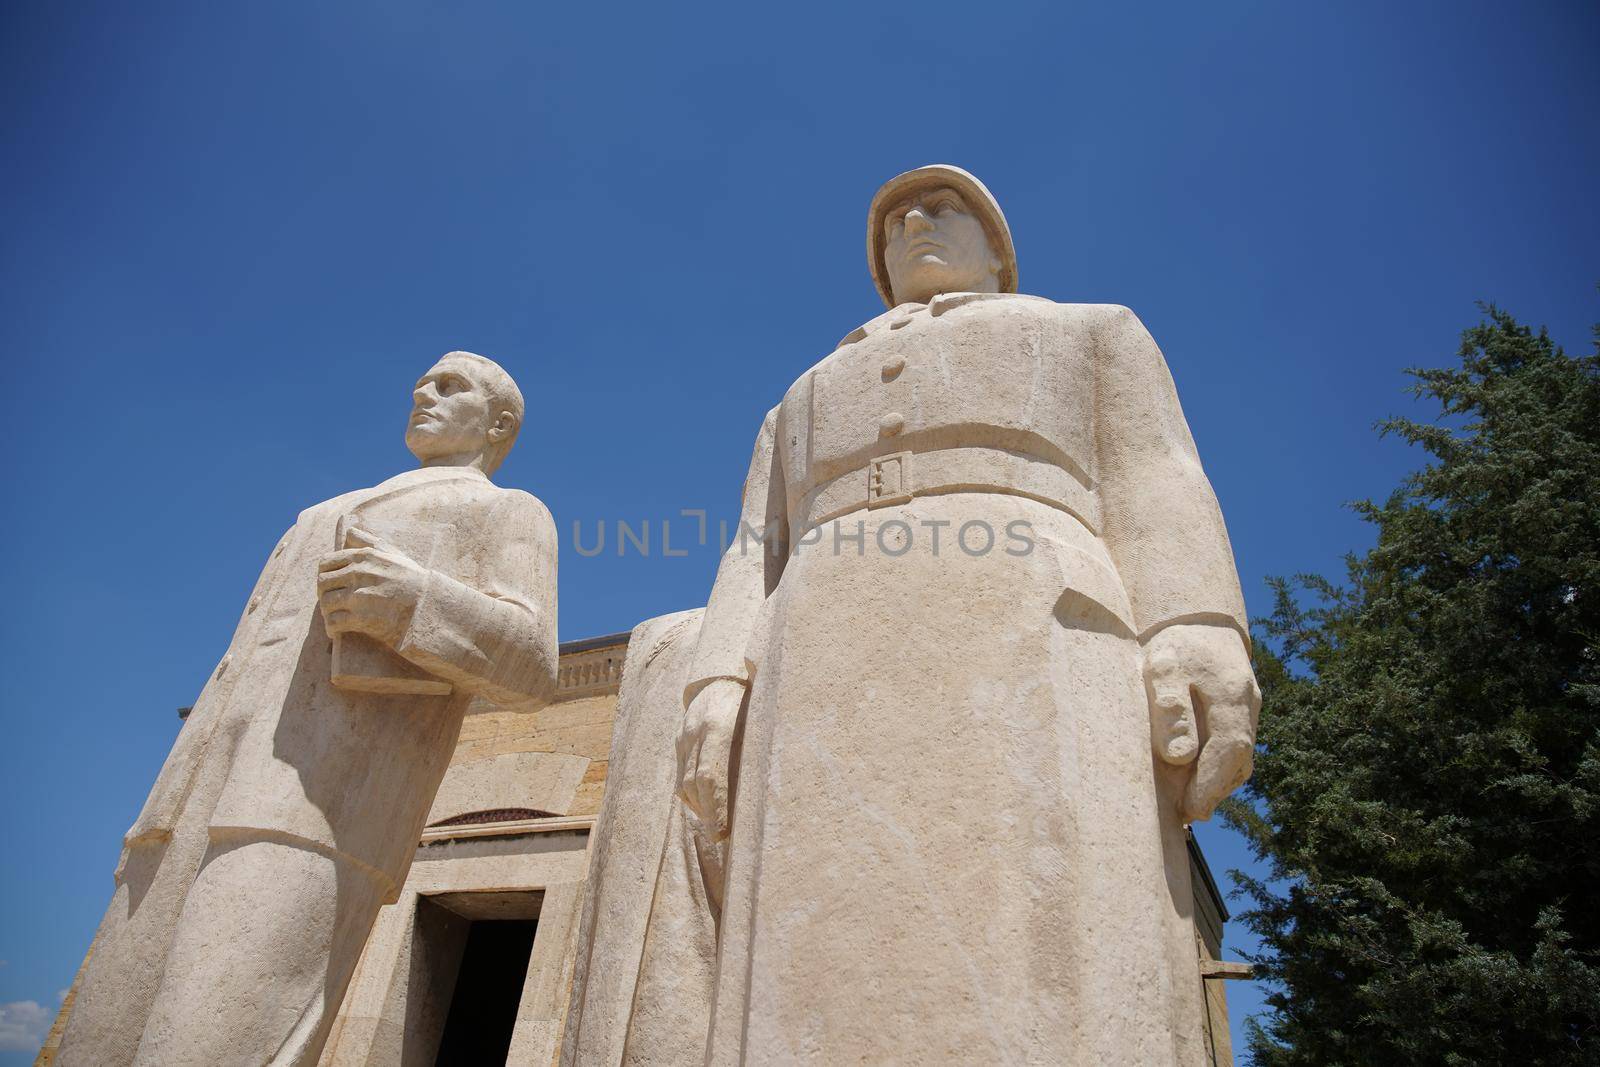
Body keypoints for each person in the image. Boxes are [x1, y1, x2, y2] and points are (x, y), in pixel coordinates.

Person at [674, 166, 1260, 1064]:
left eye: (944, 207)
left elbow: (1157, 472)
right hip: (817, 648)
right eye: (893, 220)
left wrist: (1196, 622)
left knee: (1053, 918)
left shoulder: (1091, 332)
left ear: (1000, 252)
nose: (913, 220)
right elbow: (753, 550)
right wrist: (718, 679)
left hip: (1039, 624)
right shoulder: (794, 401)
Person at [59, 351, 558, 1067]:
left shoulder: (508, 510)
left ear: (498, 421)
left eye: (452, 386)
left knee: (207, 1039)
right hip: (192, 795)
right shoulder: (317, 514)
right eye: (423, 380)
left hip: (317, 803)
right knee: (102, 1032)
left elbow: (534, 664)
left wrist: (413, 602)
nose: (424, 391)